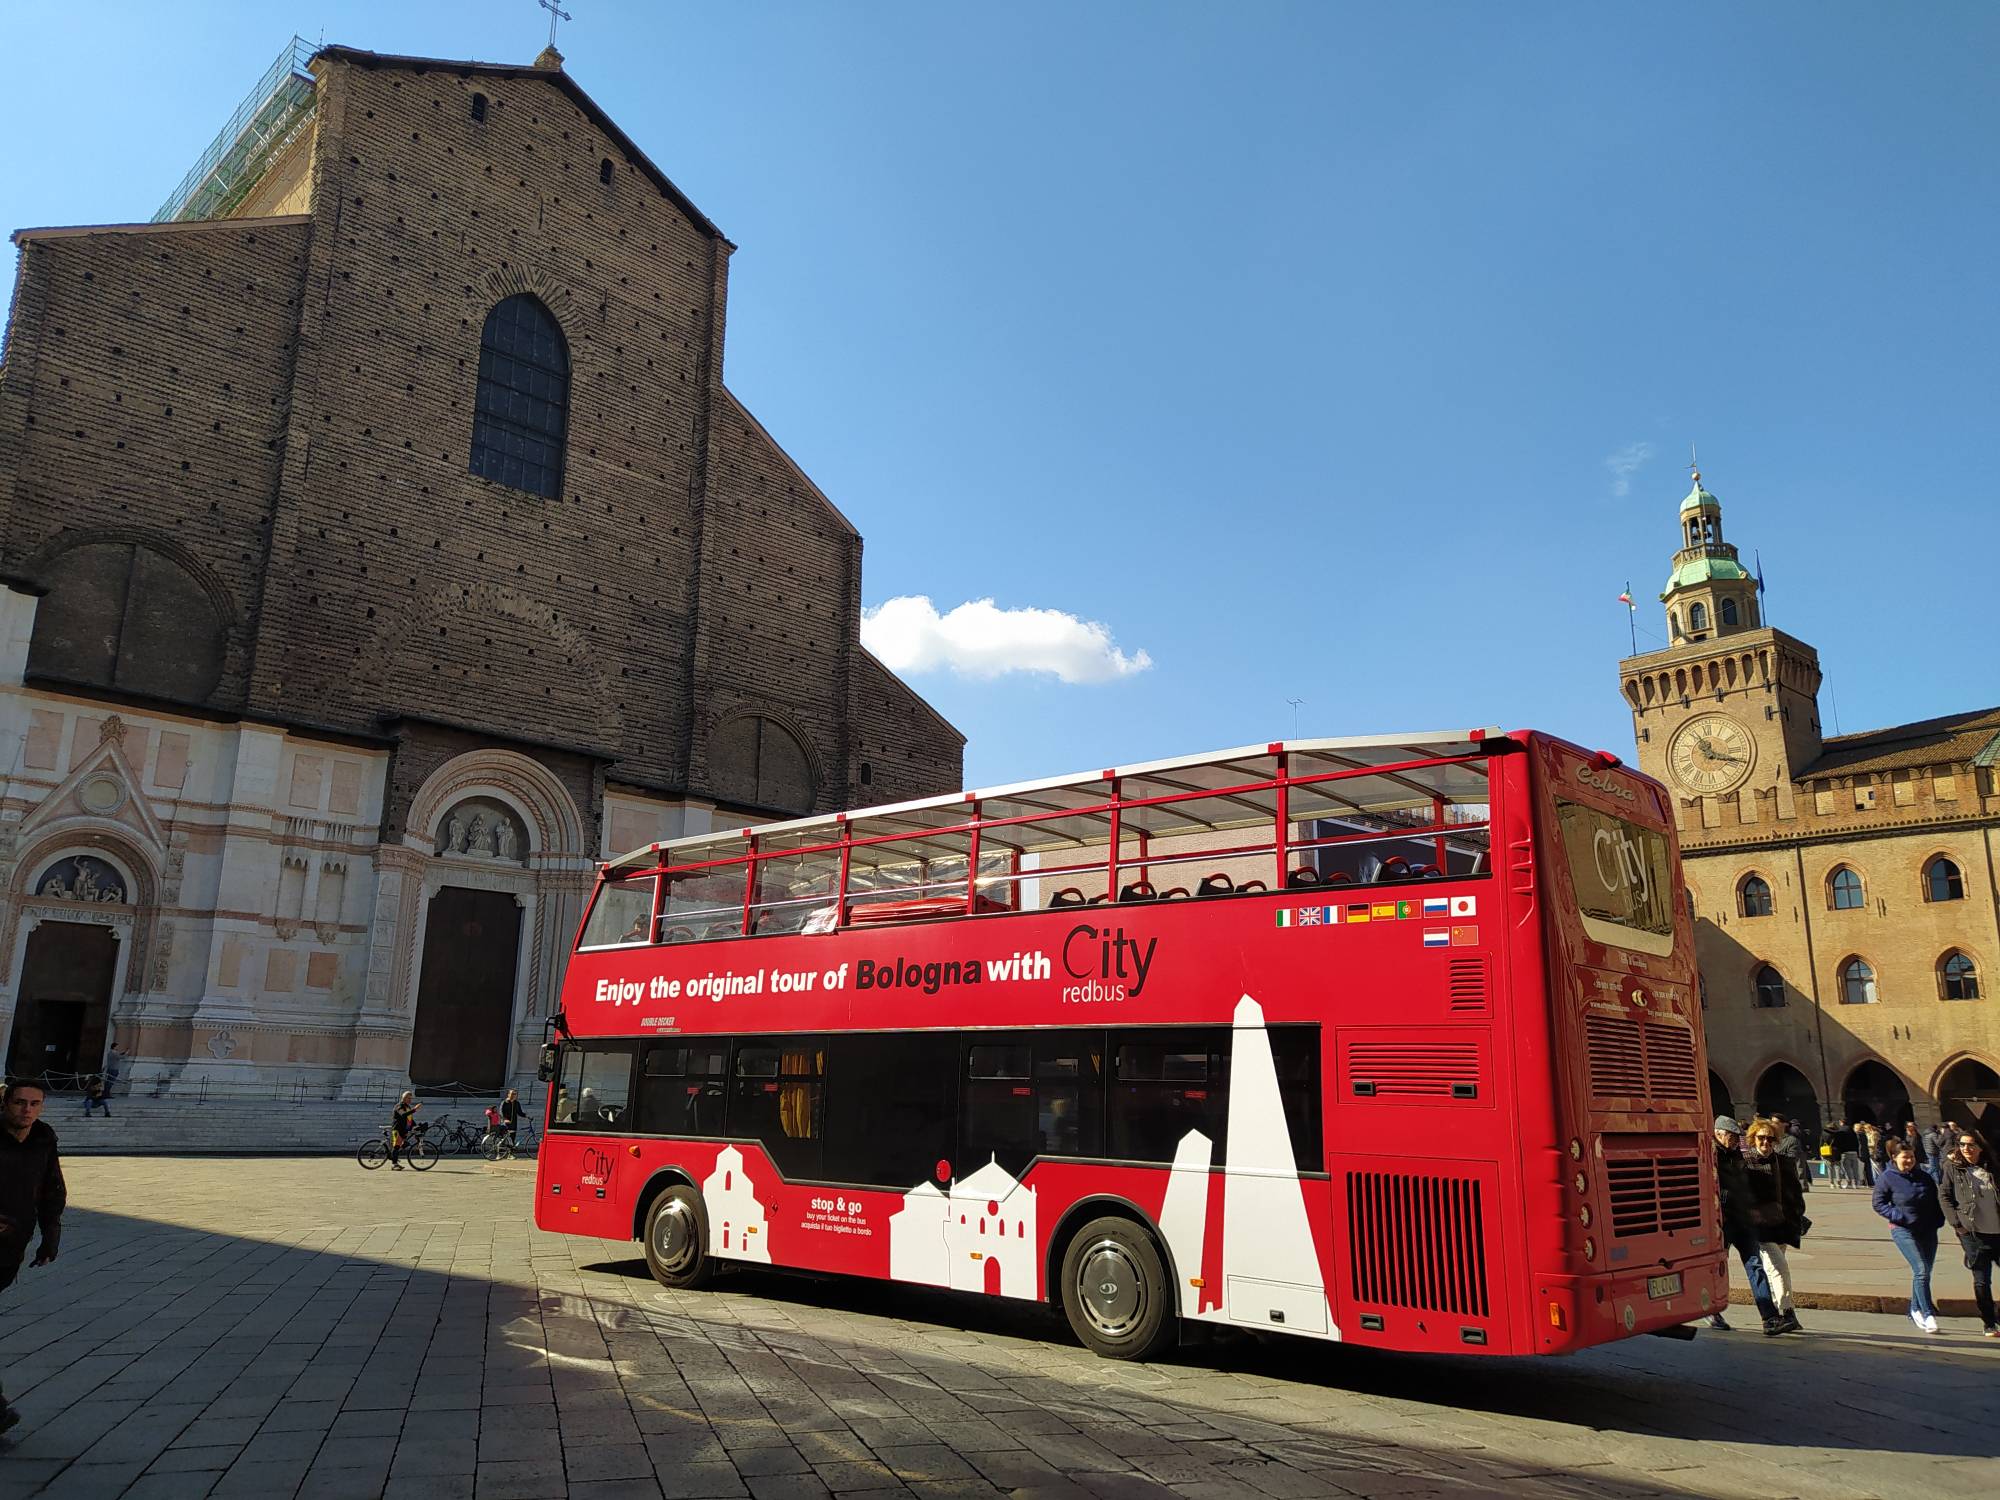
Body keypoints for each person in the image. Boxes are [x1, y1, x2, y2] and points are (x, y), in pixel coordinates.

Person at [0, 1080, 66, 1435]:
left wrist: (49, 1238)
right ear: (5, 1102)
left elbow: (52, 1189)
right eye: (20, 1102)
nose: (26, 1110)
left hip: (9, 1249)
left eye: (34, 1104)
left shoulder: (43, 1138)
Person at [1710, 1116, 1782, 1333]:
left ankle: (1769, 1317)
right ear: (1718, 1134)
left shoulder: (1739, 1156)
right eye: (1731, 1137)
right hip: (1723, 1222)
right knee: (1717, 1269)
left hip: (1744, 1220)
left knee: (1756, 1266)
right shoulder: (1710, 1156)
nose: (1734, 1141)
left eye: (1735, 1138)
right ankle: (1713, 1311)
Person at [1873, 1138, 1946, 1333]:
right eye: (1905, 1157)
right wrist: (1898, 1215)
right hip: (1903, 1229)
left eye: (1912, 1157)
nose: (1909, 1161)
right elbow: (1878, 1203)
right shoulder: (1887, 1177)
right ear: (1894, 1157)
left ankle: (1914, 1309)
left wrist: (1939, 1220)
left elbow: (1935, 1199)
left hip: (1928, 1229)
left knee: (1924, 1272)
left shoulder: (1924, 1176)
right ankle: (1928, 1312)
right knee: (1921, 1269)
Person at [1742, 1120, 1805, 1334]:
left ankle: (1782, 1313)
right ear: (1753, 1139)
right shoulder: (1745, 1163)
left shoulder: (1783, 1162)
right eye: (1761, 1137)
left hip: (1782, 1223)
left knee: (1773, 1269)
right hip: (1760, 1225)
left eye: (1770, 1138)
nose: (1766, 1142)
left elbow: (1795, 1192)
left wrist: (1797, 1214)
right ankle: (1788, 1312)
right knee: (1779, 1267)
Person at [1939, 1128, 2000, 1338]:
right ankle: (1989, 1321)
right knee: (1982, 1280)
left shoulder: (1992, 1167)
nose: (1966, 1149)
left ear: (1981, 1147)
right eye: (1962, 1144)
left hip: (1998, 1231)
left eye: (1971, 1144)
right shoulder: (1952, 1168)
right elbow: (1945, 1196)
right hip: (1973, 1234)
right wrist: (1957, 1225)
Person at [1774, 1119, 1809, 1194]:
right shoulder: (1799, 1129)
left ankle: (1802, 1186)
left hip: (1795, 1148)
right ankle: (1803, 1185)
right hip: (1800, 1149)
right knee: (1801, 1167)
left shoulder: (1792, 1129)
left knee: (1798, 1168)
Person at [389, 1090, 420, 1171]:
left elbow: (410, 1119)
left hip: (404, 1129)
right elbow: (403, 1114)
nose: (410, 1100)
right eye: (409, 1098)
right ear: (404, 1098)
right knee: (397, 1145)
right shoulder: (399, 1106)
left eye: (411, 1098)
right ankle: (394, 1164)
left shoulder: (408, 1107)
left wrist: (416, 1126)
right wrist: (415, 1109)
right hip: (398, 1128)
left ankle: (393, 1156)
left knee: (405, 1144)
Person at [1828, 1120, 1862, 1188]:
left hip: (1845, 1152)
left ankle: (1849, 1183)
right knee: (1855, 1169)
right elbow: (1857, 1143)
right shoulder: (1853, 1131)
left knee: (1847, 1169)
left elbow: (1838, 1142)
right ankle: (1856, 1183)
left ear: (1841, 1122)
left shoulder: (1841, 1131)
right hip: (1854, 1152)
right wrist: (1858, 1152)